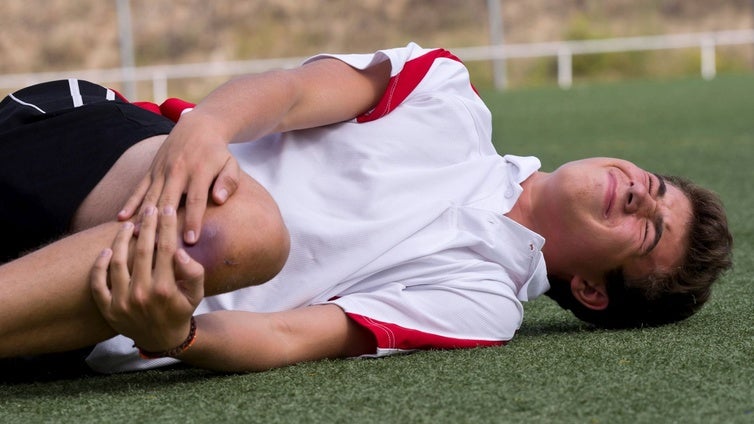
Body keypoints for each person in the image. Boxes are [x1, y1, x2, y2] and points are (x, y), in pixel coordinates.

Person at [0, 43, 732, 375]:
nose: (642, 194)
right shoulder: (446, 94)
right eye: (657, 186)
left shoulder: (481, 305)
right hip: (99, 151)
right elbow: (288, 93)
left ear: (594, 290)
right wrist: (206, 127)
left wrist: (181, 335)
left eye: (648, 233)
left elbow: (290, 336)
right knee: (244, 229)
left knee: (231, 240)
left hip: (90, 312)